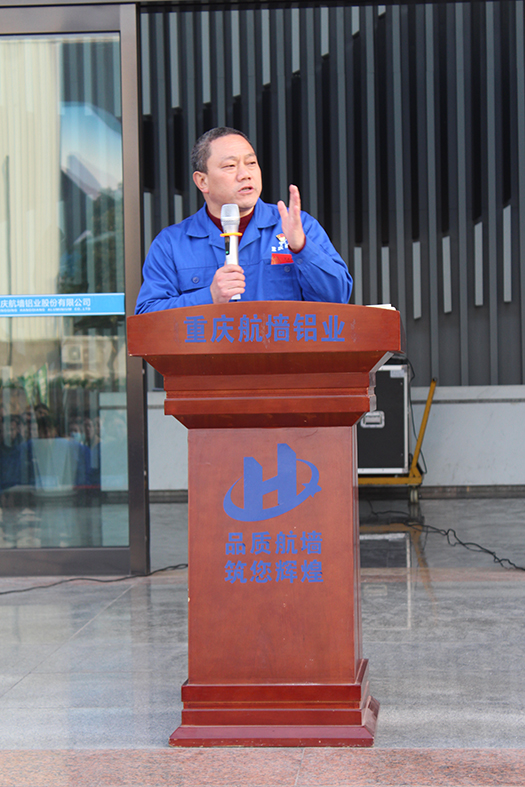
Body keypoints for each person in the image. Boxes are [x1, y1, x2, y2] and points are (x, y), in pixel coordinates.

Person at [135, 127, 352, 313]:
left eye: (251, 163)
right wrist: (209, 296)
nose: (245, 174)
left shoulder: (298, 226)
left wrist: (301, 248)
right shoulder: (172, 243)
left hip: (282, 350)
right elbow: (147, 317)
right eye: (230, 166)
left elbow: (338, 298)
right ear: (202, 181)